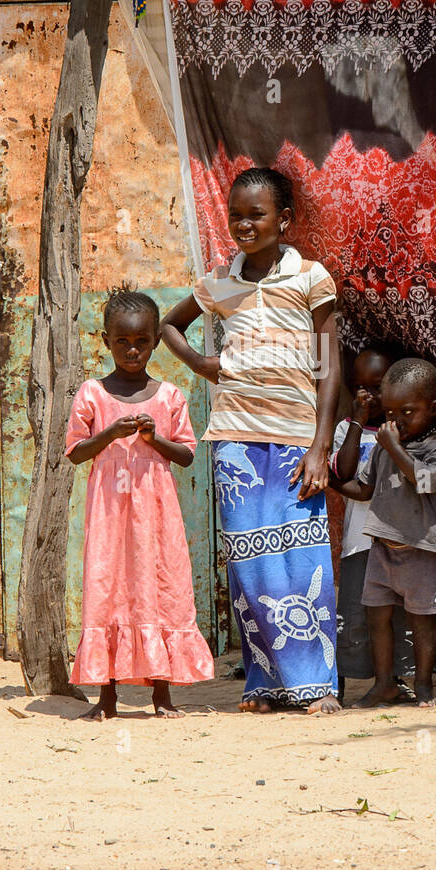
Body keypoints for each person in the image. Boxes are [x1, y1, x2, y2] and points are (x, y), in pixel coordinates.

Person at [162, 167, 342, 714]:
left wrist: (320, 445)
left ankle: (318, 688)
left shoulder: (312, 278)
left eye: (256, 214)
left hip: (295, 438)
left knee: (303, 558)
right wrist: (201, 364)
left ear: (283, 220)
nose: (243, 223)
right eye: (235, 214)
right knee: (250, 563)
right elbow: (171, 323)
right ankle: (263, 685)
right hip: (235, 440)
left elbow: (329, 366)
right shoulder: (218, 282)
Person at [65, 287, 214, 721]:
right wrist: (110, 434)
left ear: (154, 341)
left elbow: (186, 455)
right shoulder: (92, 393)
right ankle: (106, 698)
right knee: (107, 591)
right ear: (106, 341)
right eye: (123, 342)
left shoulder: (169, 396)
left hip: (157, 515)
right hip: (110, 516)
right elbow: (75, 452)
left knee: (160, 590)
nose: (133, 350)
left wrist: (154, 438)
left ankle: (162, 695)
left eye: (142, 341)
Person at [330, 357, 436, 708]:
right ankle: (384, 683)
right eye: (390, 413)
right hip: (380, 549)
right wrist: (333, 482)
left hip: (420, 550)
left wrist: (394, 448)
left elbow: (429, 482)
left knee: (422, 620)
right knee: (377, 616)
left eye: (408, 412)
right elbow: (365, 489)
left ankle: (425, 685)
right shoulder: (388, 447)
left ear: (433, 408)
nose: (397, 421)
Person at [331, 345, 415, 703]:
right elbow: (345, 472)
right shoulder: (345, 430)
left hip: (401, 542)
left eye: (378, 386)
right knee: (355, 616)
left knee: (401, 615)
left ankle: (400, 681)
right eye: (360, 386)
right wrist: (354, 422)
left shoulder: (409, 430)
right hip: (359, 542)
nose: (369, 395)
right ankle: (344, 683)